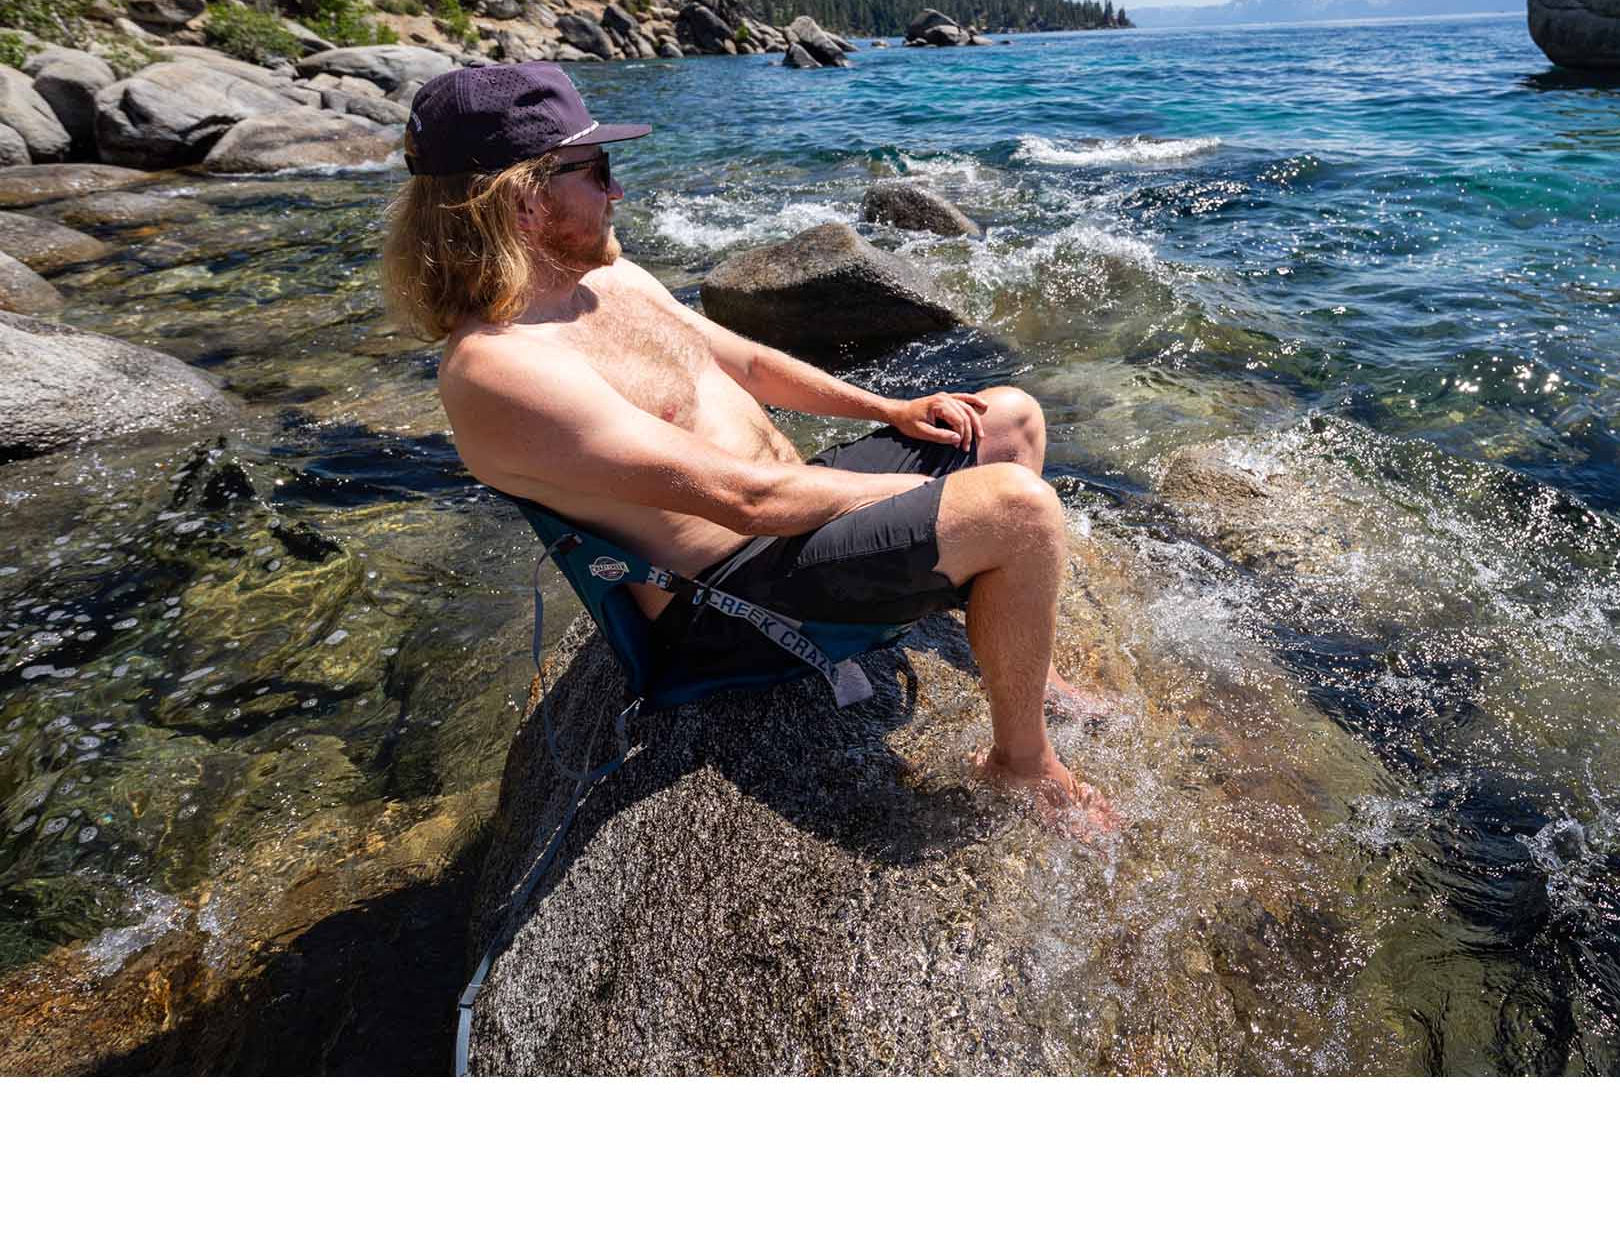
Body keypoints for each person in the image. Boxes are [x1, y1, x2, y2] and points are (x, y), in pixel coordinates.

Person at [381, 61, 1120, 835]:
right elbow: (746, 502)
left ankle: (1020, 654)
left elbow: (751, 365)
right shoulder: (499, 371)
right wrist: (947, 502)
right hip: (729, 598)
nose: (617, 191)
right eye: (596, 170)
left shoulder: (609, 279)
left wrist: (892, 409)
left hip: (790, 514)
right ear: (524, 201)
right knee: (1017, 510)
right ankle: (1021, 762)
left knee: (1008, 420)